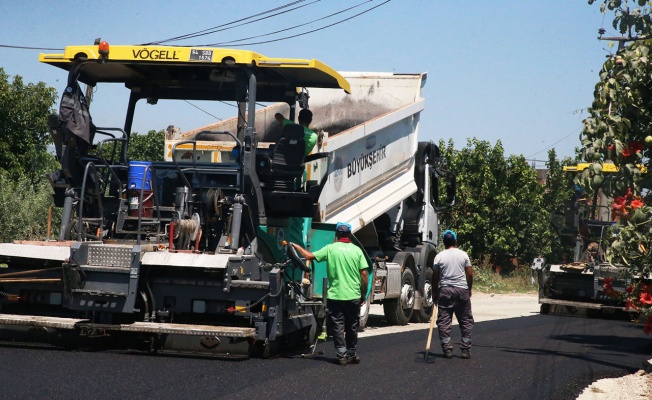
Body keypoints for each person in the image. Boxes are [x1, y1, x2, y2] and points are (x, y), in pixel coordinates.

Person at [291, 222, 369, 365]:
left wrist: (296, 246)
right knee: (352, 324)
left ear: (336, 234)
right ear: (350, 234)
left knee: (338, 325)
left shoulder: (330, 249)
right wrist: (363, 293)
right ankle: (352, 353)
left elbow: (308, 256)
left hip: (335, 295)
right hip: (353, 295)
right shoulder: (357, 251)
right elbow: (364, 274)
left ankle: (341, 355)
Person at [432, 229, 474, 359]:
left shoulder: (439, 256)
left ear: (444, 242)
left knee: (444, 321)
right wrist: (469, 288)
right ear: (455, 241)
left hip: (445, 291)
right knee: (466, 320)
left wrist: (435, 292)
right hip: (462, 290)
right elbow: (470, 273)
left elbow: (435, 277)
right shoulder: (463, 255)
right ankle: (465, 349)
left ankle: (447, 349)